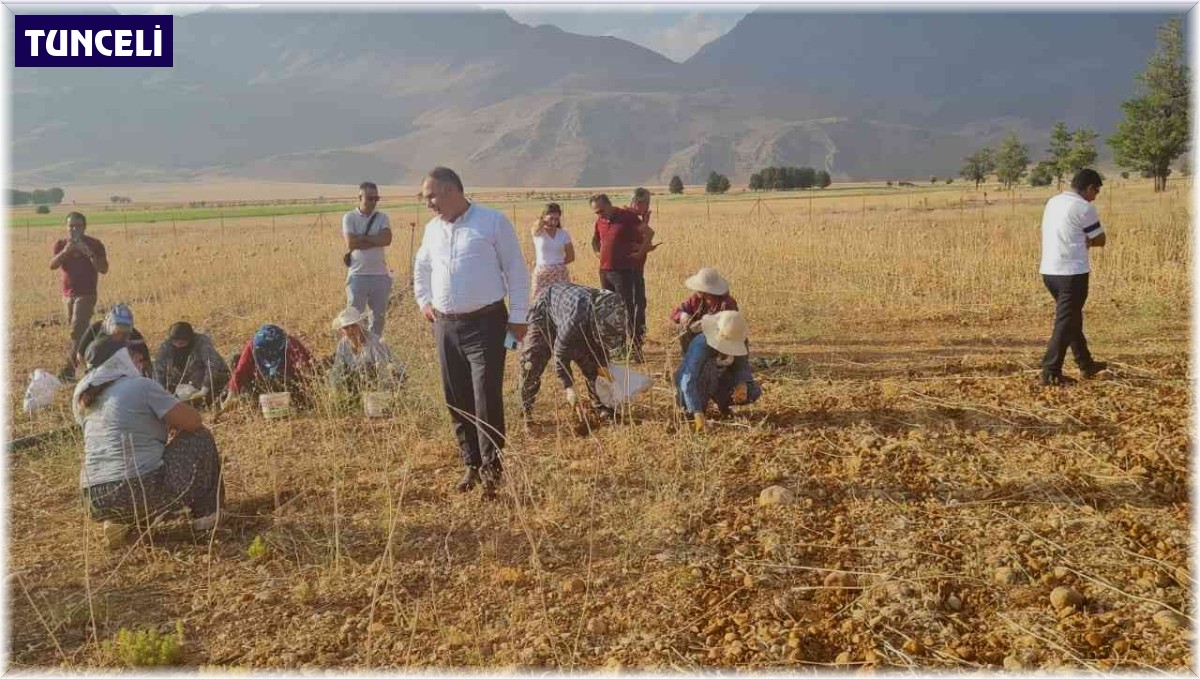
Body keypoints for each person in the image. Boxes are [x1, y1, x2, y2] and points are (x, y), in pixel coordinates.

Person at [414, 167, 529, 499]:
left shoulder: (492, 222)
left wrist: (519, 318)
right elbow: (421, 267)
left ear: (451, 191)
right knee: (456, 395)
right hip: (446, 325)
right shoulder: (431, 230)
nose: (428, 203)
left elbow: (516, 271)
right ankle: (471, 462)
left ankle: (492, 470)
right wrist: (424, 301)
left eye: (431, 196)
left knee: (485, 396)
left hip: (487, 324)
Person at [75, 337, 223, 532]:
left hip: (93, 499)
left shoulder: (88, 400)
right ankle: (207, 517)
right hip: (136, 490)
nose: (138, 359)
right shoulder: (140, 385)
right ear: (120, 360)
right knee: (200, 436)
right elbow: (194, 421)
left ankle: (118, 522)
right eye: (132, 356)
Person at [1039, 168, 1108, 386]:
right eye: (1096, 191)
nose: (1096, 196)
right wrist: (1088, 241)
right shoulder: (1084, 207)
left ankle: (1086, 364)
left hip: (1049, 271)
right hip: (1072, 273)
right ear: (1089, 188)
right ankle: (1050, 372)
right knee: (1065, 321)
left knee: (1071, 318)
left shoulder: (1054, 201)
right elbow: (1100, 239)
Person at [519, 283, 628, 421]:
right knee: (532, 361)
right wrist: (569, 387)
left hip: (580, 317)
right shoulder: (574, 321)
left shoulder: (615, 309)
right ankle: (525, 409)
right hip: (545, 309)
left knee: (596, 363)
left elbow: (601, 357)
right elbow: (560, 355)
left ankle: (601, 407)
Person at [675, 310, 762, 432]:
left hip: (720, 382)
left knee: (753, 390)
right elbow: (687, 381)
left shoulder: (739, 339)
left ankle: (724, 405)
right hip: (696, 387)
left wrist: (742, 383)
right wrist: (697, 413)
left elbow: (742, 367)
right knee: (709, 367)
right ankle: (695, 410)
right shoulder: (701, 344)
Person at [50, 212, 108, 380]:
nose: (74, 229)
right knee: (80, 332)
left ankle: (69, 369)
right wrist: (66, 251)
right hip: (67, 294)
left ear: (85, 227)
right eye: (71, 226)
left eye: (78, 226)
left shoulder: (95, 244)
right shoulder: (61, 244)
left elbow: (103, 269)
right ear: (66, 227)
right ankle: (96, 359)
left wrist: (89, 253)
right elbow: (52, 265)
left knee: (76, 330)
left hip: (87, 293)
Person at [589, 193, 645, 360]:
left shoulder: (628, 217)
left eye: (601, 210)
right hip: (605, 272)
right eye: (596, 212)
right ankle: (618, 348)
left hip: (625, 272)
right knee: (610, 310)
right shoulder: (600, 221)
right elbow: (595, 240)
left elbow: (647, 234)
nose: (599, 214)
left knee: (628, 309)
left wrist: (640, 251)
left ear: (609, 204)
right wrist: (598, 253)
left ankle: (636, 348)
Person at [343, 181, 394, 337]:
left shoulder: (382, 217)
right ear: (360, 197)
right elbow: (351, 242)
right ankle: (356, 352)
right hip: (357, 276)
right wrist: (374, 238)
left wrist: (363, 239)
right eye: (369, 198)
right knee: (354, 320)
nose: (373, 202)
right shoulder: (349, 217)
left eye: (376, 199)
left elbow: (386, 240)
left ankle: (374, 354)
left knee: (377, 320)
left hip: (380, 275)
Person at [224, 324, 317, 406]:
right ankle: (251, 398)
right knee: (235, 360)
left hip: (286, 382)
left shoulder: (291, 346)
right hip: (261, 381)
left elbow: (309, 371)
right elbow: (240, 371)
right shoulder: (253, 345)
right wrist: (229, 398)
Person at [329, 307, 406, 395]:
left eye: (353, 325)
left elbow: (384, 372)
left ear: (360, 325)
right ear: (342, 331)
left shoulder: (375, 343)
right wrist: (335, 393)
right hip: (362, 384)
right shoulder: (343, 344)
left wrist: (381, 397)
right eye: (346, 327)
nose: (350, 330)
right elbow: (337, 370)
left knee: (366, 370)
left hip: (387, 383)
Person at [152, 322, 230, 406]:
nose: (178, 346)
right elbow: (159, 370)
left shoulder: (202, 342)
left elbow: (212, 365)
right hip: (184, 382)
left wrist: (204, 389)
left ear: (189, 340)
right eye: (175, 342)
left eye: (182, 343)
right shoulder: (166, 346)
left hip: (212, 377)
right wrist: (162, 393)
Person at [670, 267, 740, 355]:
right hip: (700, 338)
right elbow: (676, 312)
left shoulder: (727, 303)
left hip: (722, 342)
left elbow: (731, 326)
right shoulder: (695, 299)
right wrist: (682, 315)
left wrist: (707, 325)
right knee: (681, 328)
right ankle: (689, 355)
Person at [75, 303, 152, 376]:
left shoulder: (135, 336)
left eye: (125, 331)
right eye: (118, 330)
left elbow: (146, 362)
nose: (122, 335)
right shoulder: (95, 328)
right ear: (109, 325)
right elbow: (80, 355)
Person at [627, 188, 660, 354]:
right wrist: (647, 247)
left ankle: (636, 342)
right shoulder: (629, 217)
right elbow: (630, 244)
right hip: (630, 269)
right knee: (636, 305)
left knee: (638, 304)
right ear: (640, 203)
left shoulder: (635, 218)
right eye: (647, 203)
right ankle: (635, 344)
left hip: (636, 268)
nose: (648, 207)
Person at [529, 203, 575, 302]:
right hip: (542, 274)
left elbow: (571, 256)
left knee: (561, 302)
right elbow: (536, 226)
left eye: (556, 219)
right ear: (544, 217)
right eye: (551, 218)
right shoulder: (538, 232)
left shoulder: (563, 234)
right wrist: (544, 220)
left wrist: (557, 264)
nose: (553, 222)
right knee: (538, 303)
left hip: (560, 273)